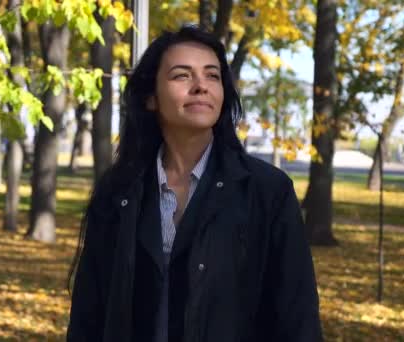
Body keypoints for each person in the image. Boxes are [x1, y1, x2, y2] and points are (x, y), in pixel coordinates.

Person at [67, 26, 322, 342]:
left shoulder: (267, 191)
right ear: (151, 98)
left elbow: (297, 317)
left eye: (212, 76)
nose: (201, 86)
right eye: (182, 75)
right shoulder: (118, 191)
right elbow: (88, 314)